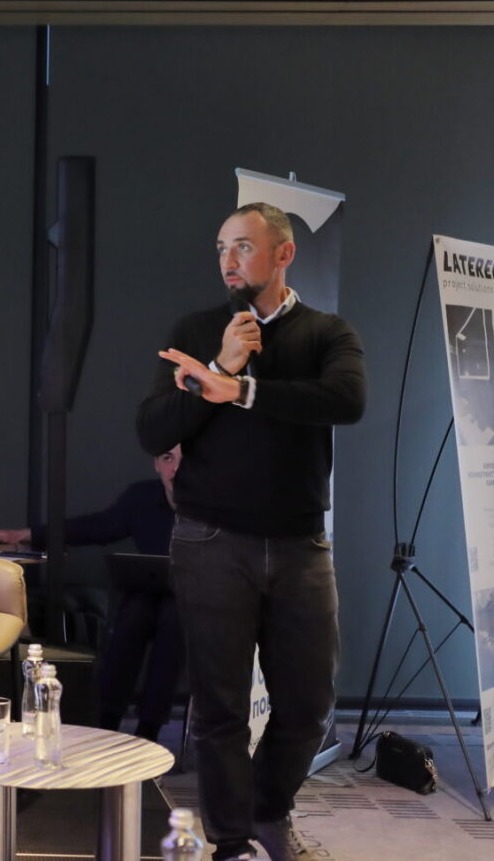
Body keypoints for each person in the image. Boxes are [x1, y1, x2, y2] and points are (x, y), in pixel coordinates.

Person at [136, 203, 365, 861]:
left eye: (242, 246)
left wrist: (237, 390)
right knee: (220, 707)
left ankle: (268, 811)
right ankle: (231, 840)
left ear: (283, 254)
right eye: (221, 248)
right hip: (211, 540)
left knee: (309, 705)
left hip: (300, 546)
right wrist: (219, 366)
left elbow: (347, 401)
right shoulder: (197, 330)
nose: (227, 260)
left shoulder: (326, 333)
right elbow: (153, 430)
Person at [0, 446, 184, 742]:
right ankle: (106, 723)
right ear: (156, 464)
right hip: (149, 595)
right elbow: (96, 527)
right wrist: (23, 534)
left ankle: (149, 730)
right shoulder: (143, 498)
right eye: (168, 458)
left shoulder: (212, 504)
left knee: (174, 620)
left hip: (197, 597)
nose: (176, 468)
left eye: (184, 459)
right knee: (135, 613)